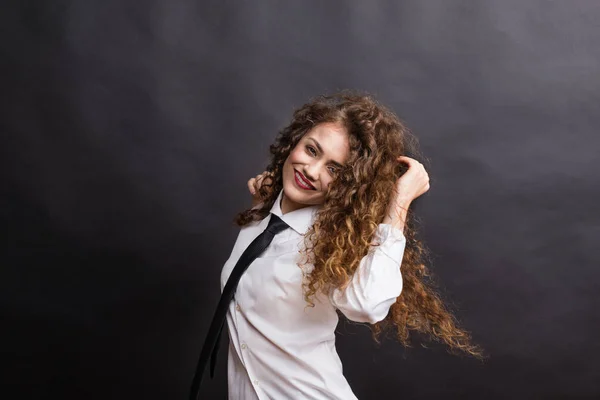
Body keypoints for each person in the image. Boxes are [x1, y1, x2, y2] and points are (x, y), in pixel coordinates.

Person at [220, 92, 482, 399]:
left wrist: (398, 205)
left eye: (335, 170)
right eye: (311, 150)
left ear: (350, 184)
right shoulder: (263, 215)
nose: (312, 171)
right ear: (295, 141)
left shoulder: (332, 244)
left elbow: (366, 306)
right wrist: (262, 205)